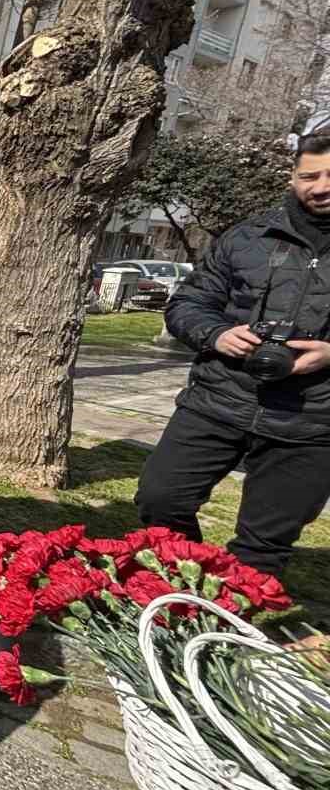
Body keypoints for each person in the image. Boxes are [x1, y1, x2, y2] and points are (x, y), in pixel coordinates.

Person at [137, 130, 330, 576]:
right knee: (160, 500)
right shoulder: (247, 237)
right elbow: (187, 303)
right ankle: (187, 586)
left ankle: (227, 612)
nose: (321, 187)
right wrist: (217, 334)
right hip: (218, 400)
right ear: (292, 176)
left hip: (311, 421)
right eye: (310, 176)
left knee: (263, 546)